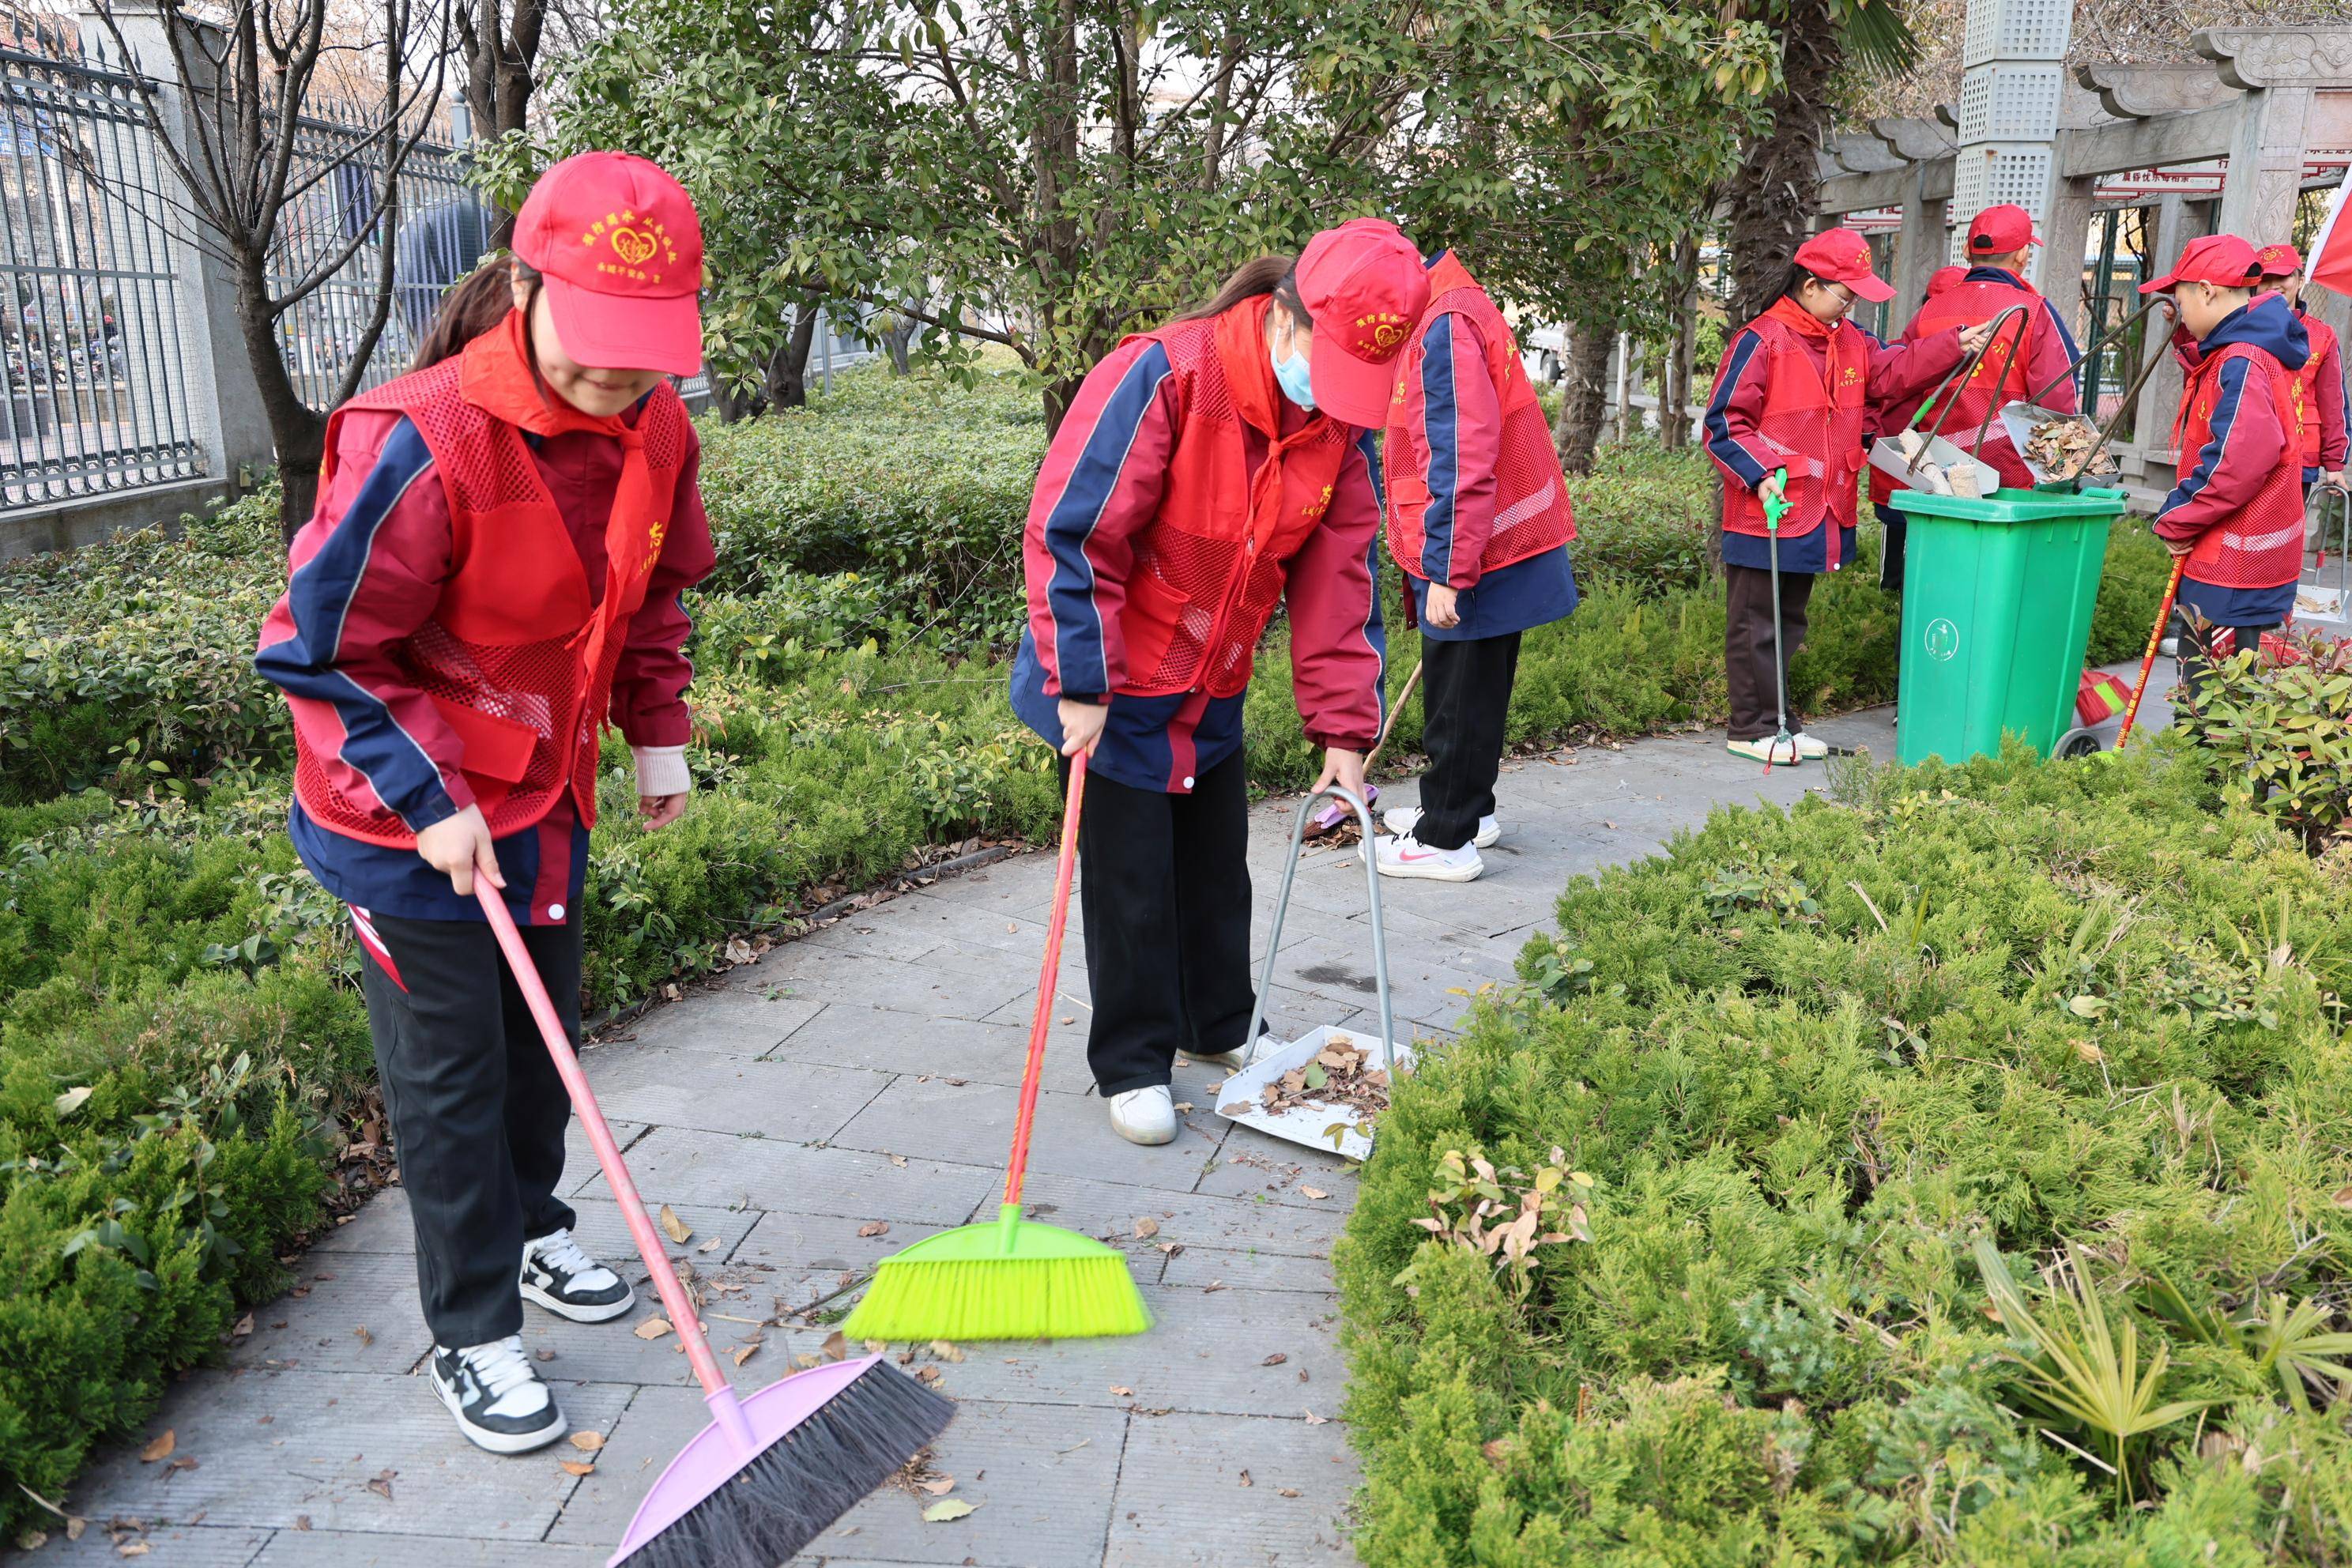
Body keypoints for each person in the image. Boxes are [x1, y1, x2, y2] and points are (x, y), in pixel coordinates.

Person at [254, 152, 715, 1454]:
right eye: (595, 345)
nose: (618, 378)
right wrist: (423, 796)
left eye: (646, 352)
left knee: (540, 1052)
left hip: (541, 798)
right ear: (525, 285)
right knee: (452, 1080)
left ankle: (532, 1229)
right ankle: (470, 1326)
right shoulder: (423, 436)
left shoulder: (655, 429)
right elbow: (321, 648)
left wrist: (657, 734)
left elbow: (652, 592)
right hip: (401, 821)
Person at [1012, 219, 1422, 1146]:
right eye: (1336, 365)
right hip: (1109, 680)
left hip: (1211, 682)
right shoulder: (1163, 376)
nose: (1340, 401)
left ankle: (1216, 1022)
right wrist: (1080, 678)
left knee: (1212, 868)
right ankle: (1131, 1059)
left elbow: (1340, 583)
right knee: (1132, 883)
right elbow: (1074, 530)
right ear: (1285, 317)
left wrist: (1345, 731)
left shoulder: (1335, 429)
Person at [1702, 228, 1992, 764]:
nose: (1853, 303)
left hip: (1821, 509)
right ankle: (1750, 728)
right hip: (1767, 507)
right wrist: (1761, 472)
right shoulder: (1761, 340)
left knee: (1788, 621)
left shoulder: (1851, 339)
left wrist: (1954, 345)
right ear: (1810, 286)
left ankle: (1781, 724)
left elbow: (1893, 372)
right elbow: (1724, 423)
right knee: (1754, 624)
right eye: (1847, 292)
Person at [1370, 247, 1578, 883]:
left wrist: (1448, 569)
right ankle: (1468, 809)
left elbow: (1461, 450)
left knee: (1460, 692)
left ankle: (1445, 837)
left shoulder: (1445, 324)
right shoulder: (1452, 308)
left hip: (1478, 551)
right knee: (1470, 685)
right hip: (1488, 543)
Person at [1870, 205, 2082, 594]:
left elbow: (1898, 383)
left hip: (1939, 479)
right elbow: (2058, 403)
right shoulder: (2032, 311)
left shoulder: (1931, 310)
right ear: (2022, 254)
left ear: (1968, 253)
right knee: (1994, 589)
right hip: (2007, 483)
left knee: (1934, 586)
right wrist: (2065, 482)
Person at [2139, 234, 2310, 694]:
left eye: (2182, 296)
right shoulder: (2247, 348)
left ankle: (2205, 770)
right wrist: (2185, 331)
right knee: (2216, 687)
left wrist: (2178, 519)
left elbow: (2236, 460)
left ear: (2208, 290)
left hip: (2233, 557)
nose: (2180, 308)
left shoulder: (2243, 360)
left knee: (2211, 699)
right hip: (2236, 551)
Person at [2254, 242, 2347, 492]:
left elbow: (2333, 402)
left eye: (2282, 276)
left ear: (2300, 279)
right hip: (2248, 450)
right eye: (2266, 278)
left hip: (2301, 452)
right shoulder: (2241, 327)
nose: (2273, 285)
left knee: (2288, 530)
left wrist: (2334, 463)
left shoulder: (2322, 335)